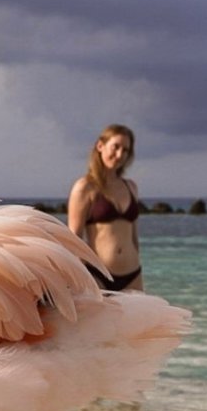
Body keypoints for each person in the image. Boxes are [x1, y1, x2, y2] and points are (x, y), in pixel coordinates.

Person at [67, 124, 144, 292]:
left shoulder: (131, 187)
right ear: (100, 146)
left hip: (133, 275)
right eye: (115, 147)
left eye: (125, 150)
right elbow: (74, 239)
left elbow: (134, 236)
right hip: (98, 275)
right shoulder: (85, 187)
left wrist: (137, 262)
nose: (119, 155)